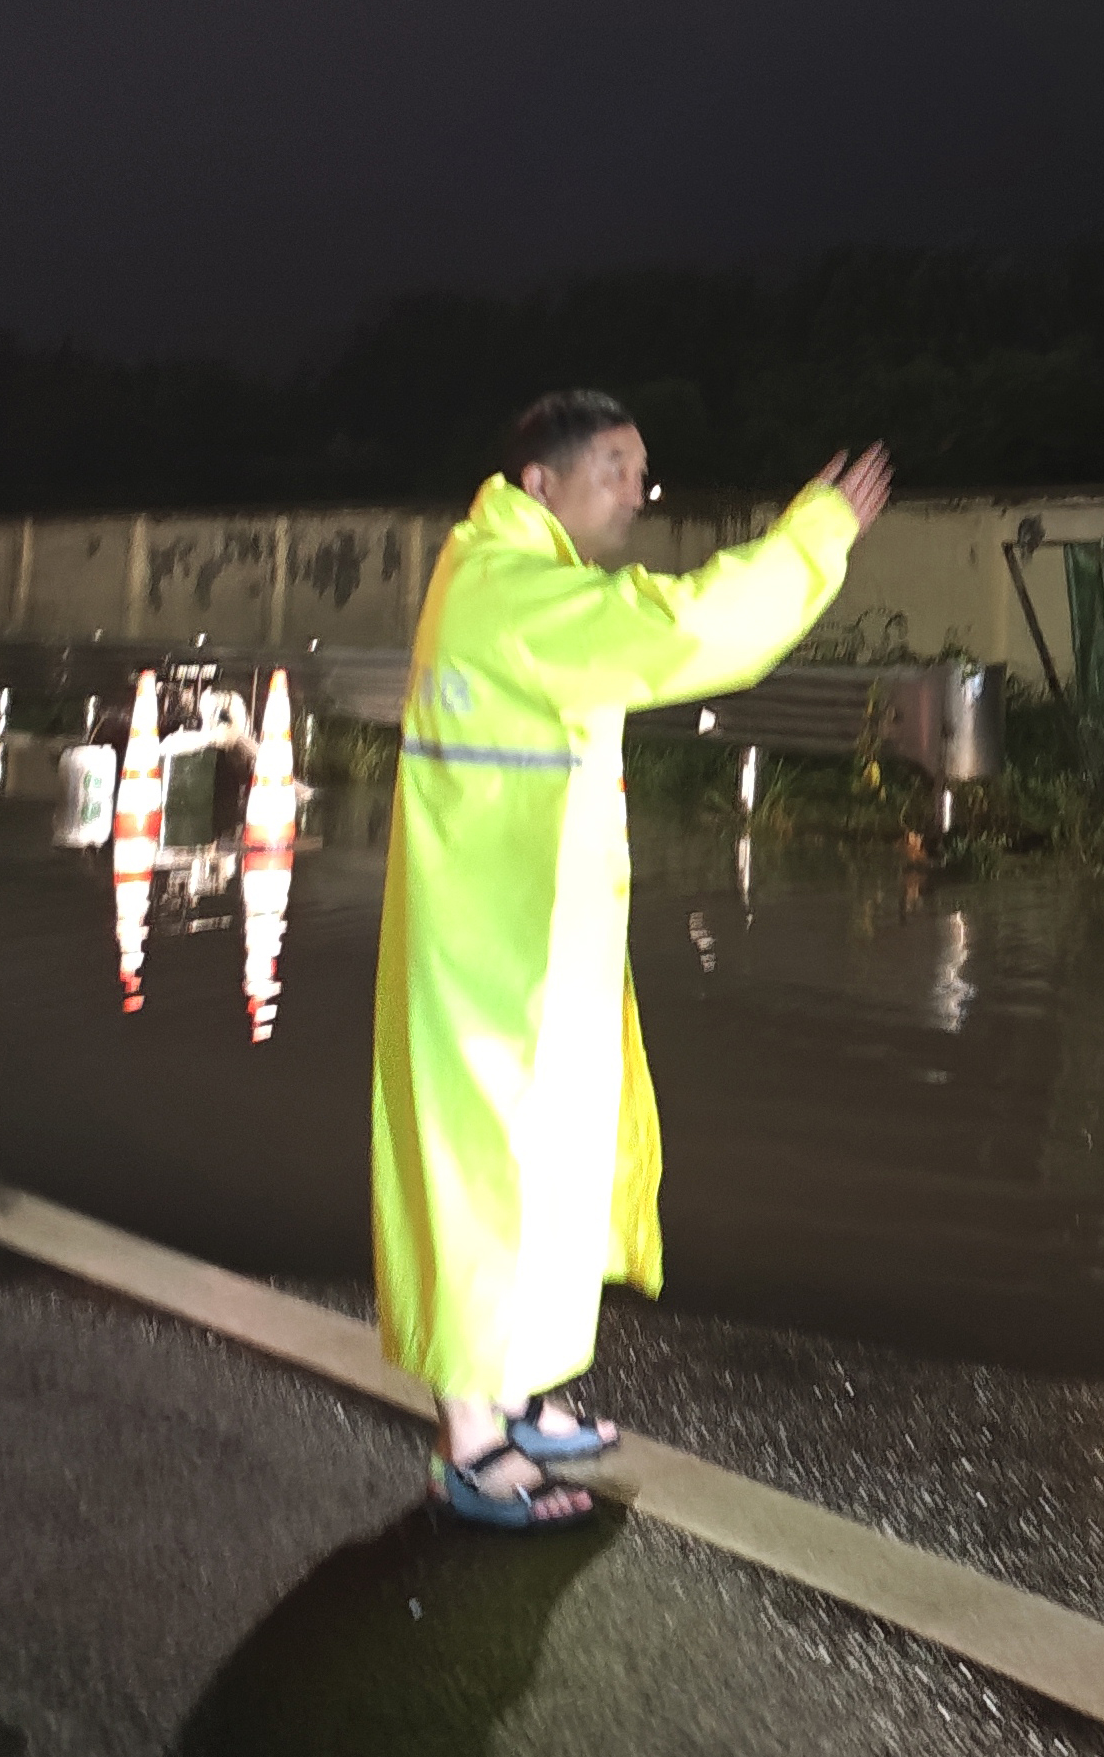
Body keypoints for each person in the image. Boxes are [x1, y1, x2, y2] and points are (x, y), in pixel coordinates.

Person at [373, 391, 893, 1529]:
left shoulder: (513, 578)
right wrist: (813, 541)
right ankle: (471, 1448)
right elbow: (681, 628)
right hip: (489, 967)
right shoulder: (510, 589)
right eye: (617, 469)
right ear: (541, 483)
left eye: (643, 472)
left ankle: (513, 1399)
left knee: (543, 1172)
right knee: (481, 1189)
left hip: (529, 948)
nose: (637, 494)